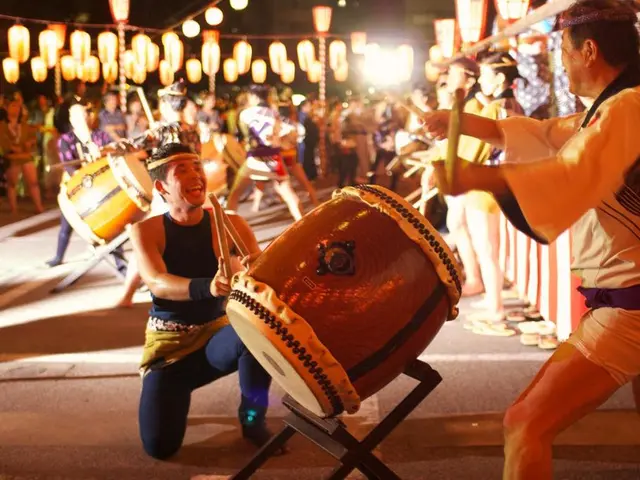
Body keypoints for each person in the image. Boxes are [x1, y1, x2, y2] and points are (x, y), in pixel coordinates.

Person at [421, 1, 640, 478]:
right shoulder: (609, 109)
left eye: (563, 50)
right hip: (623, 300)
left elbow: (571, 174)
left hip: (631, 309)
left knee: (525, 422)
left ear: (589, 50)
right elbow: (544, 135)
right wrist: (455, 121)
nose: (561, 62)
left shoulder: (628, 106)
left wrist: (475, 176)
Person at [130, 143, 276, 459]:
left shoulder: (232, 224)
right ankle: (169, 396)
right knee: (159, 448)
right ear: (161, 187)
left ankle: (252, 421)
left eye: (197, 167)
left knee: (255, 331)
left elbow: (262, 270)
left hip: (215, 342)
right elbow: (158, 282)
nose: (196, 175)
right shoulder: (146, 231)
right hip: (171, 352)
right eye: (181, 170)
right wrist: (206, 287)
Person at [46, 99, 128, 271]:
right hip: (76, 186)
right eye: (78, 116)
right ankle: (58, 256)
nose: (83, 118)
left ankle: (121, 264)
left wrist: (105, 151)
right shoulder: (66, 140)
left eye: (85, 114)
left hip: (100, 186)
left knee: (110, 223)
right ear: (72, 119)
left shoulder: (100, 136)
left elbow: (112, 153)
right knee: (67, 223)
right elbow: (70, 167)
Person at [225, 86, 303, 221]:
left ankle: (227, 230)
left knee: (234, 195)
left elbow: (242, 135)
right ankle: (303, 224)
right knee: (290, 196)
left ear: (253, 96)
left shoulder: (245, 114)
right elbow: (296, 129)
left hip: (255, 160)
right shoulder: (274, 113)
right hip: (274, 158)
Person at [0, 97, 45, 214]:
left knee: (33, 182)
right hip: (12, 157)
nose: (15, 109)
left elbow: (32, 136)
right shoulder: (2, 125)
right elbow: (4, 142)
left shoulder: (24, 125)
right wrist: (13, 148)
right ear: (7, 108)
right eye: (12, 106)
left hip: (25, 155)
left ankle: (39, 206)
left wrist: (30, 142)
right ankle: (13, 209)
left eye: (17, 107)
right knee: (12, 183)